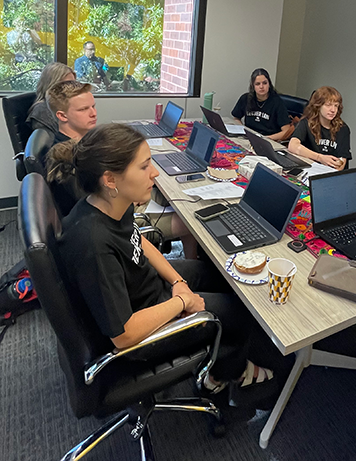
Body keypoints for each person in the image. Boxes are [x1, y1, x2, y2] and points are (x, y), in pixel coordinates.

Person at [55, 123, 276, 400]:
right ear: (110, 179)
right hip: (140, 331)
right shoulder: (93, 244)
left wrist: (178, 282)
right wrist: (182, 302)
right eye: (144, 166)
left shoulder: (109, 203)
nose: (155, 172)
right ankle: (220, 377)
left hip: (146, 288)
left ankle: (227, 356)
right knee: (242, 313)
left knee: (221, 276)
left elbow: (140, 242)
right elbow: (123, 335)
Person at [45, 81, 198, 258]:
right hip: (121, 214)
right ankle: (193, 265)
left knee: (185, 198)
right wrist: (130, 199)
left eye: (93, 106)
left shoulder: (84, 142)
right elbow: (96, 204)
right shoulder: (68, 160)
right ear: (62, 116)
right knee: (191, 219)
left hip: (122, 198)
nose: (93, 113)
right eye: (83, 109)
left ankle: (191, 264)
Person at [287, 86, 351, 171]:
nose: (333, 110)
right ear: (318, 106)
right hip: (309, 168)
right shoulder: (306, 123)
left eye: (336, 106)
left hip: (329, 172)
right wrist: (319, 158)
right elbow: (293, 145)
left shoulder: (343, 129)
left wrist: (335, 166)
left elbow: (342, 160)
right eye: (328, 105)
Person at [231, 68, 292, 141]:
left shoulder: (277, 102)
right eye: (257, 84)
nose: (261, 87)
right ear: (253, 86)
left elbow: (286, 130)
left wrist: (268, 138)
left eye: (265, 83)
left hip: (268, 139)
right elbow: (236, 118)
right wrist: (242, 129)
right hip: (249, 137)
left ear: (269, 84)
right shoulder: (245, 98)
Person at [26, 62, 76, 136]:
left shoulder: (65, 106)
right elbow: (53, 145)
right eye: (66, 84)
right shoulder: (42, 111)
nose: (72, 88)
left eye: (73, 84)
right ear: (51, 85)